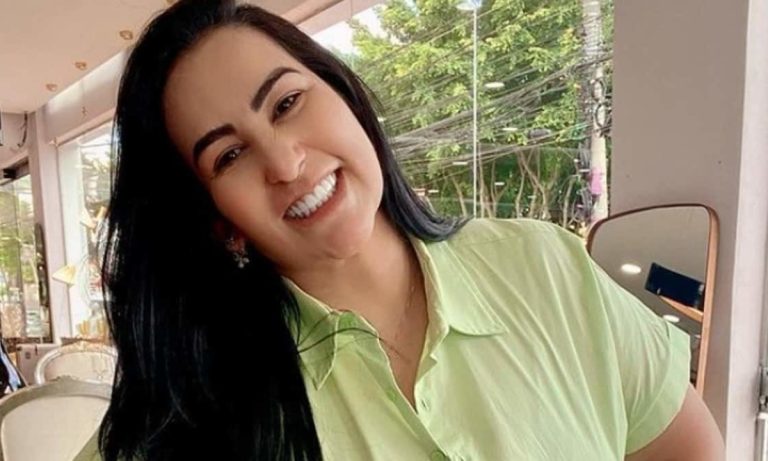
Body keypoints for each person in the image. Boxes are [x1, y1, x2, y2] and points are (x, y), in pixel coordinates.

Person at [75, 0, 724, 459]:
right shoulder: (197, 404)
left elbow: (685, 447)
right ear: (218, 221)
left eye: (288, 102)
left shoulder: (544, 266)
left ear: (346, 95)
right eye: (229, 155)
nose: (285, 163)